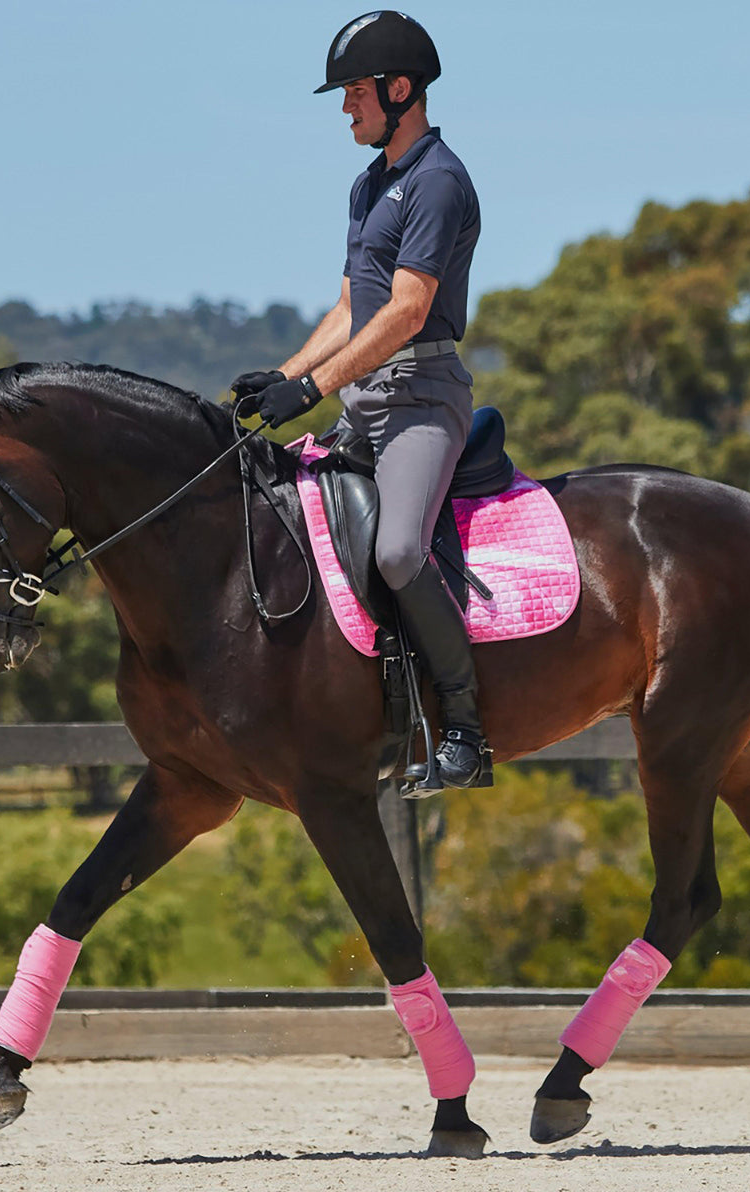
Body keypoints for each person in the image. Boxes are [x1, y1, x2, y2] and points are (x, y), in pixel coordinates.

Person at [231, 11, 490, 790]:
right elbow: (351, 307)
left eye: (355, 91)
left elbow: (407, 312)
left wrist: (312, 388)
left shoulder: (438, 181)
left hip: (421, 398)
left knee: (400, 551)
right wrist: (284, 376)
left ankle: (465, 726)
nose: (346, 106)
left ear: (399, 89)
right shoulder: (369, 184)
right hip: (364, 401)